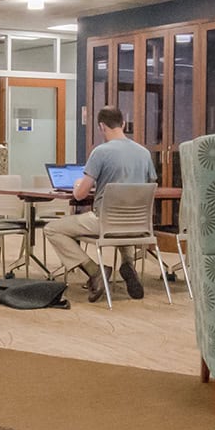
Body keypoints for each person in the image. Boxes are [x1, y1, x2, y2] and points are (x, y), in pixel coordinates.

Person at [43, 106, 157, 302]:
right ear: (123, 124)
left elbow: (80, 195)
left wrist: (79, 183)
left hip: (104, 223)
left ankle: (95, 271)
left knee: (52, 229)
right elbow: (151, 183)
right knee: (122, 218)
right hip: (138, 225)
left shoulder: (101, 152)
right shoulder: (144, 153)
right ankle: (128, 263)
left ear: (101, 126)